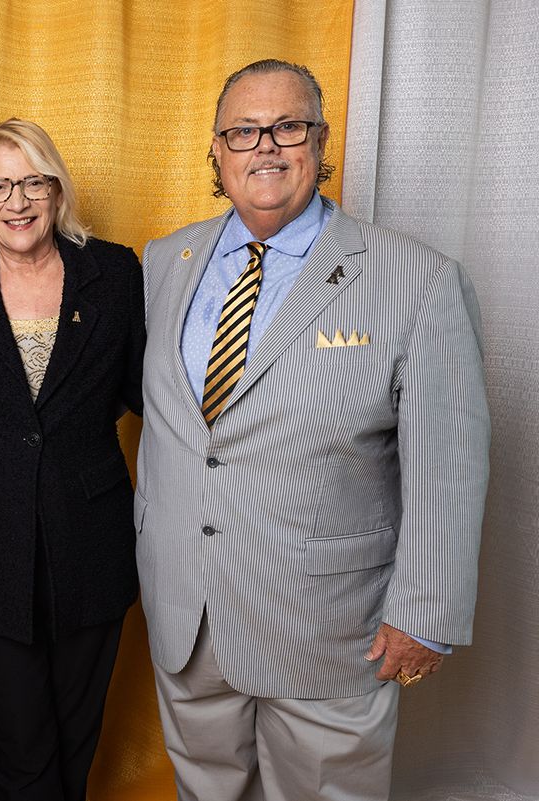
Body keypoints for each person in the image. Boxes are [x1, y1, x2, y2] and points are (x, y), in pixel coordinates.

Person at [135, 59, 490, 801]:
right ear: (216, 152)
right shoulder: (165, 262)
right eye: (242, 131)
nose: (264, 147)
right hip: (188, 616)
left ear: (321, 142)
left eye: (287, 126)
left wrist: (425, 610)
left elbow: (448, 461)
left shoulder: (416, 279)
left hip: (328, 629)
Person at [0, 119, 145, 800]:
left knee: (75, 738)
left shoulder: (114, 271)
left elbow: (144, 389)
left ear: (56, 188)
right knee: (20, 745)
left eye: (32, 182)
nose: (16, 201)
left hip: (91, 539)